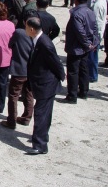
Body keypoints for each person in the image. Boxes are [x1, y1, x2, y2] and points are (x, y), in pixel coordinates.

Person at [25, 17, 65, 155]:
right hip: (42, 83)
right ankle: (42, 138)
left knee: (41, 113)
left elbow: (56, 62)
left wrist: (61, 76)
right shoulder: (37, 40)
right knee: (44, 113)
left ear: (31, 29)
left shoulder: (45, 43)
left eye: (26, 27)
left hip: (46, 84)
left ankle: (40, 145)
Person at [62, 0, 98, 104]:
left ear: (76, 0)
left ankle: (72, 95)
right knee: (84, 69)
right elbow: (95, 28)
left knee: (73, 71)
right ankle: (83, 91)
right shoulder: (90, 12)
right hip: (85, 46)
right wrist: (93, 43)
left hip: (76, 46)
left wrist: (87, 43)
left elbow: (80, 31)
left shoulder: (77, 14)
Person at [2, 10, 35, 129]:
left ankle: (11, 120)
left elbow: (10, 45)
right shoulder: (38, 34)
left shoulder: (19, 33)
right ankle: (27, 117)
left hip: (19, 68)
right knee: (29, 94)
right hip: (31, 70)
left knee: (13, 95)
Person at [88, 0, 107, 82]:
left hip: (95, 34)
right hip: (99, 32)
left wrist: (94, 35)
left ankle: (92, 75)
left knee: (92, 56)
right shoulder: (102, 1)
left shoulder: (98, 5)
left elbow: (95, 21)